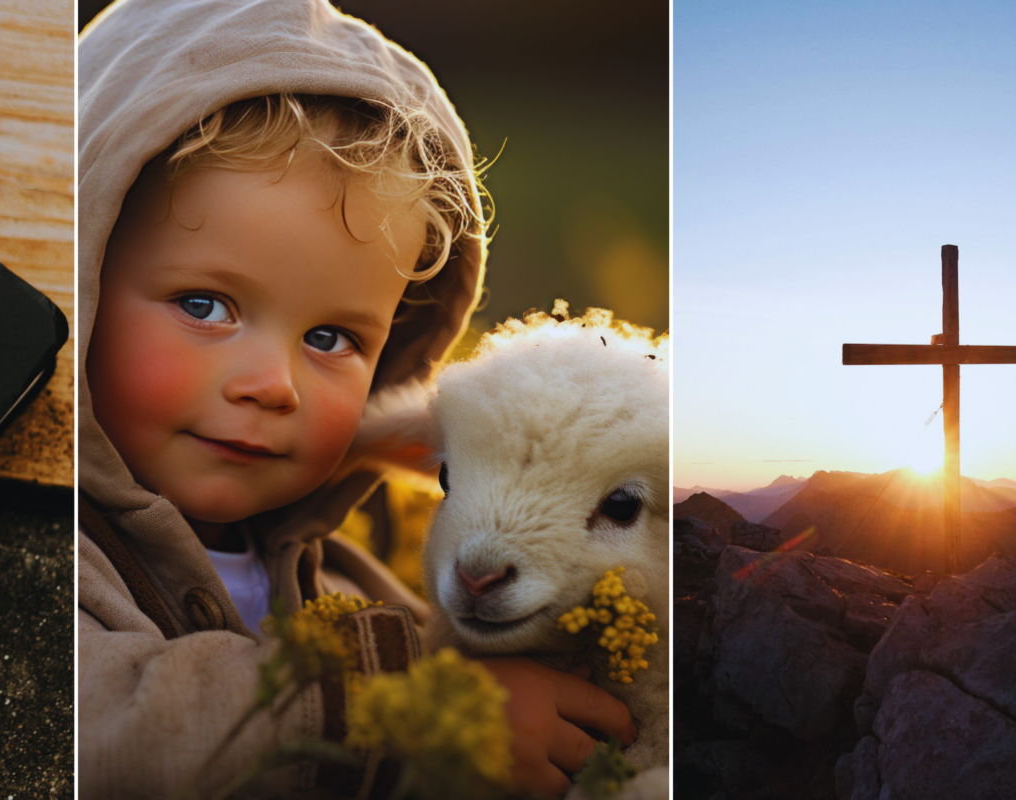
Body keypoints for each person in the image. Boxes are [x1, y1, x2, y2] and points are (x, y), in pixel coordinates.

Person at [75, 1, 632, 796]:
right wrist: (423, 713)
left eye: (332, 338)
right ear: (81, 279)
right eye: (205, 306)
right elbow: (96, 732)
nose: (273, 385)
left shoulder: (347, 587)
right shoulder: (35, 554)